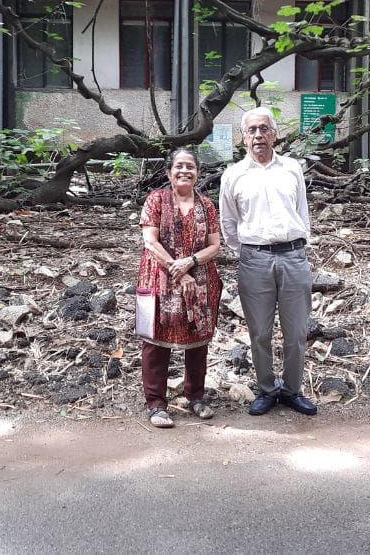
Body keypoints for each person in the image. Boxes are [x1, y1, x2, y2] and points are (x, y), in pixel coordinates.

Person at [219, 107, 317, 416]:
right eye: (252, 130)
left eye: (264, 129)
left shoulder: (291, 168)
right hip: (255, 261)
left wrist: (300, 244)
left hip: (293, 257)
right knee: (259, 332)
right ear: (243, 137)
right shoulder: (233, 175)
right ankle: (266, 388)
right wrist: (249, 252)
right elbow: (228, 223)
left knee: (297, 332)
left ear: (274, 134)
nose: (258, 135)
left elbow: (302, 211)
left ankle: (291, 390)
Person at [136, 147, 223, 428]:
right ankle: (156, 404)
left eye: (191, 167)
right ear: (168, 172)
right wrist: (178, 269)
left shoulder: (206, 205)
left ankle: (195, 396)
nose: (185, 171)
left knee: (197, 340)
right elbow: (150, 241)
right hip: (160, 278)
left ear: (198, 173)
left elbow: (215, 245)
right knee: (156, 341)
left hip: (200, 281)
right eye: (179, 166)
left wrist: (191, 262)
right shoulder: (156, 200)